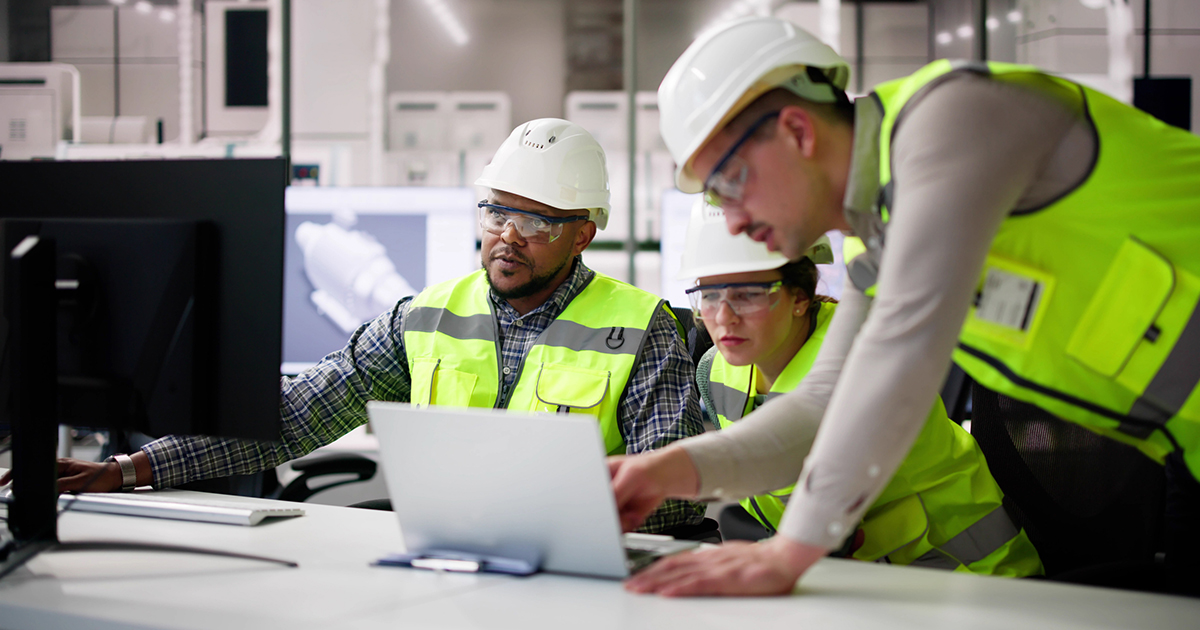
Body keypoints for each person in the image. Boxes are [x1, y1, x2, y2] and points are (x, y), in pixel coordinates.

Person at [610, 16, 1200, 595]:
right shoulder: (881, 234)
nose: (732, 218)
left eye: (730, 182)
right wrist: (674, 470)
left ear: (797, 130)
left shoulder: (952, 118)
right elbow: (822, 405)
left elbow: (902, 354)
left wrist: (791, 554)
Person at [23, 118, 706, 534]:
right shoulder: (427, 316)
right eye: (495, 211)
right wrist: (128, 470)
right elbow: (291, 418)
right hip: (447, 565)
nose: (506, 236)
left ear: (582, 233)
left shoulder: (644, 329)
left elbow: (673, 501)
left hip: (586, 579)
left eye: (534, 221)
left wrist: (561, 503)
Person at [682, 200, 1041, 576]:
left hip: (968, 576)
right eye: (709, 295)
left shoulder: (864, 358)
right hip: (855, 573)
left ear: (800, 298)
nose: (723, 317)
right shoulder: (716, 370)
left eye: (748, 294)